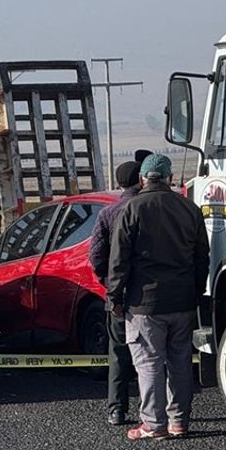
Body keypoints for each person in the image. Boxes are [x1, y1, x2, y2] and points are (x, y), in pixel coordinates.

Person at [108, 153, 209, 440]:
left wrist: (114, 296)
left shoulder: (132, 209)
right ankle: (179, 422)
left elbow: (119, 260)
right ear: (170, 178)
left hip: (144, 303)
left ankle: (154, 424)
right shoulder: (190, 209)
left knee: (149, 362)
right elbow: (203, 256)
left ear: (142, 179)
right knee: (180, 362)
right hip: (183, 300)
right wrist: (197, 289)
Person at [88, 160, 142, 426]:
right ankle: (159, 409)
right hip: (150, 294)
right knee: (156, 354)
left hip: (119, 295)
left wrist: (108, 282)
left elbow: (96, 256)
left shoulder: (108, 214)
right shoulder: (147, 209)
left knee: (119, 353)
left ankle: (117, 410)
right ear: (140, 180)